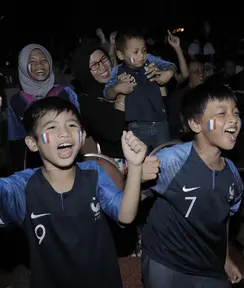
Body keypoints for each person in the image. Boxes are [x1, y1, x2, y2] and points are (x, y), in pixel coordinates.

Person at [0, 96, 148, 288]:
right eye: (51, 127)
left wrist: (135, 166)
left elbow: (125, 216)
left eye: (71, 125)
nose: (64, 133)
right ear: (32, 143)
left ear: (83, 134)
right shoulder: (22, 186)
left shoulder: (94, 173)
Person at [141, 83, 244, 287]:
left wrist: (226, 259)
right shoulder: (171, 162)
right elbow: (129, 202)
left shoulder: (232, 176)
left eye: (236, 112)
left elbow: (224, 219)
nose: (233, 119)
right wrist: (137, 177)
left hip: (209, 265)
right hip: (166, 261)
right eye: (221, 113)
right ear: (196, 125)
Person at [8, 44, 80, 171]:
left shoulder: (66, 93)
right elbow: (16, 141)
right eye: (32, 61)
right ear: (24, 66)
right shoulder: (17, 101)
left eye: (44, 60)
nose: (39, 65)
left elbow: (79, 129)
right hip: (34, 169)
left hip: (70, 161)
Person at [105, 28, 176, 150]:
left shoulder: (150, 60)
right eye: (135, 52)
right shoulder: (117, 71)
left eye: (143, 50)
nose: (141, 56)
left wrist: (168, 73)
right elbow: (107, 93)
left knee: (164, 159)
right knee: (141, 162)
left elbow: (171, 66)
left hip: (160, 123)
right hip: (137, 127)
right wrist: (117, 89)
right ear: (121, 55)